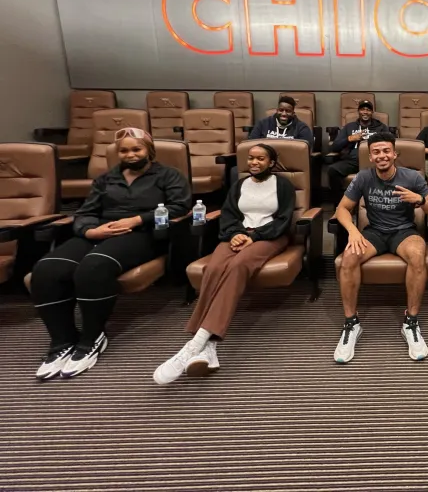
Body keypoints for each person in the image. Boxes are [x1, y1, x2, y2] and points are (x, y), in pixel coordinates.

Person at [32, 128, 191, 380]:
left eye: (136, 149)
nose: (130, 154)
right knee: (47, 269)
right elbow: (86, 211)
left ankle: (92, 337)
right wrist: (90, 231)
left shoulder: (168, 175)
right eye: (124, 150)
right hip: (100, 230)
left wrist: (137, 219)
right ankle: (62, 341)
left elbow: (179, 206)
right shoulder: (106, 179)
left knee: (94, 266)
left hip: (143, 232)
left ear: (149, 150)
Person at [153, 144, 295, 385]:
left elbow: (284, 218)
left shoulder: (282, 185)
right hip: (238, 235)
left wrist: (255, 236)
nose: (254, 163)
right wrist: (237, 233)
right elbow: (229, 214)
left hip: (270, 236)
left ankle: (194, 343)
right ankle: (208, 348)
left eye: (260, 159)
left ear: (271, 163)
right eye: (251, 158)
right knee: (214, 268)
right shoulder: (239, 185)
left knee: (238, 265)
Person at [333, 131, 428, 364]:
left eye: (386, 151)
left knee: (417, 254)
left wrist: (420, 200)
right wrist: (353, 231)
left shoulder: (412, 177)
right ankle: (351, 324)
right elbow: (342, 209)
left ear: (395, 153)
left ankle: (410, 322)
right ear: (370, 157)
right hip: (374, 233)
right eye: (376, 152)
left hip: (404, 231)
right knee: (348, 257)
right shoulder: (363, 178)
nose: (381, 156)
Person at [327, 100, 387, 202]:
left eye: (368, 110)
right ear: (358, 111)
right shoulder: (349, 127)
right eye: (362, 109)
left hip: (373, 161)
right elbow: (335, 147)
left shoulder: (381, 127)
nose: (365, 112)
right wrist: (350, 138)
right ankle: (340, 204)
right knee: (332, 170)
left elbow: (390, 144)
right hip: (352, 161)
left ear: (372, 113)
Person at [249, 95, 313, 144]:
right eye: (281, 110)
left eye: (288, 111)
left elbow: (305, 152)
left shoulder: (302, 128)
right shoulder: (262, 124)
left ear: (293, 113)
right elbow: (250, 144)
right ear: (277, 111)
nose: (284, 114)